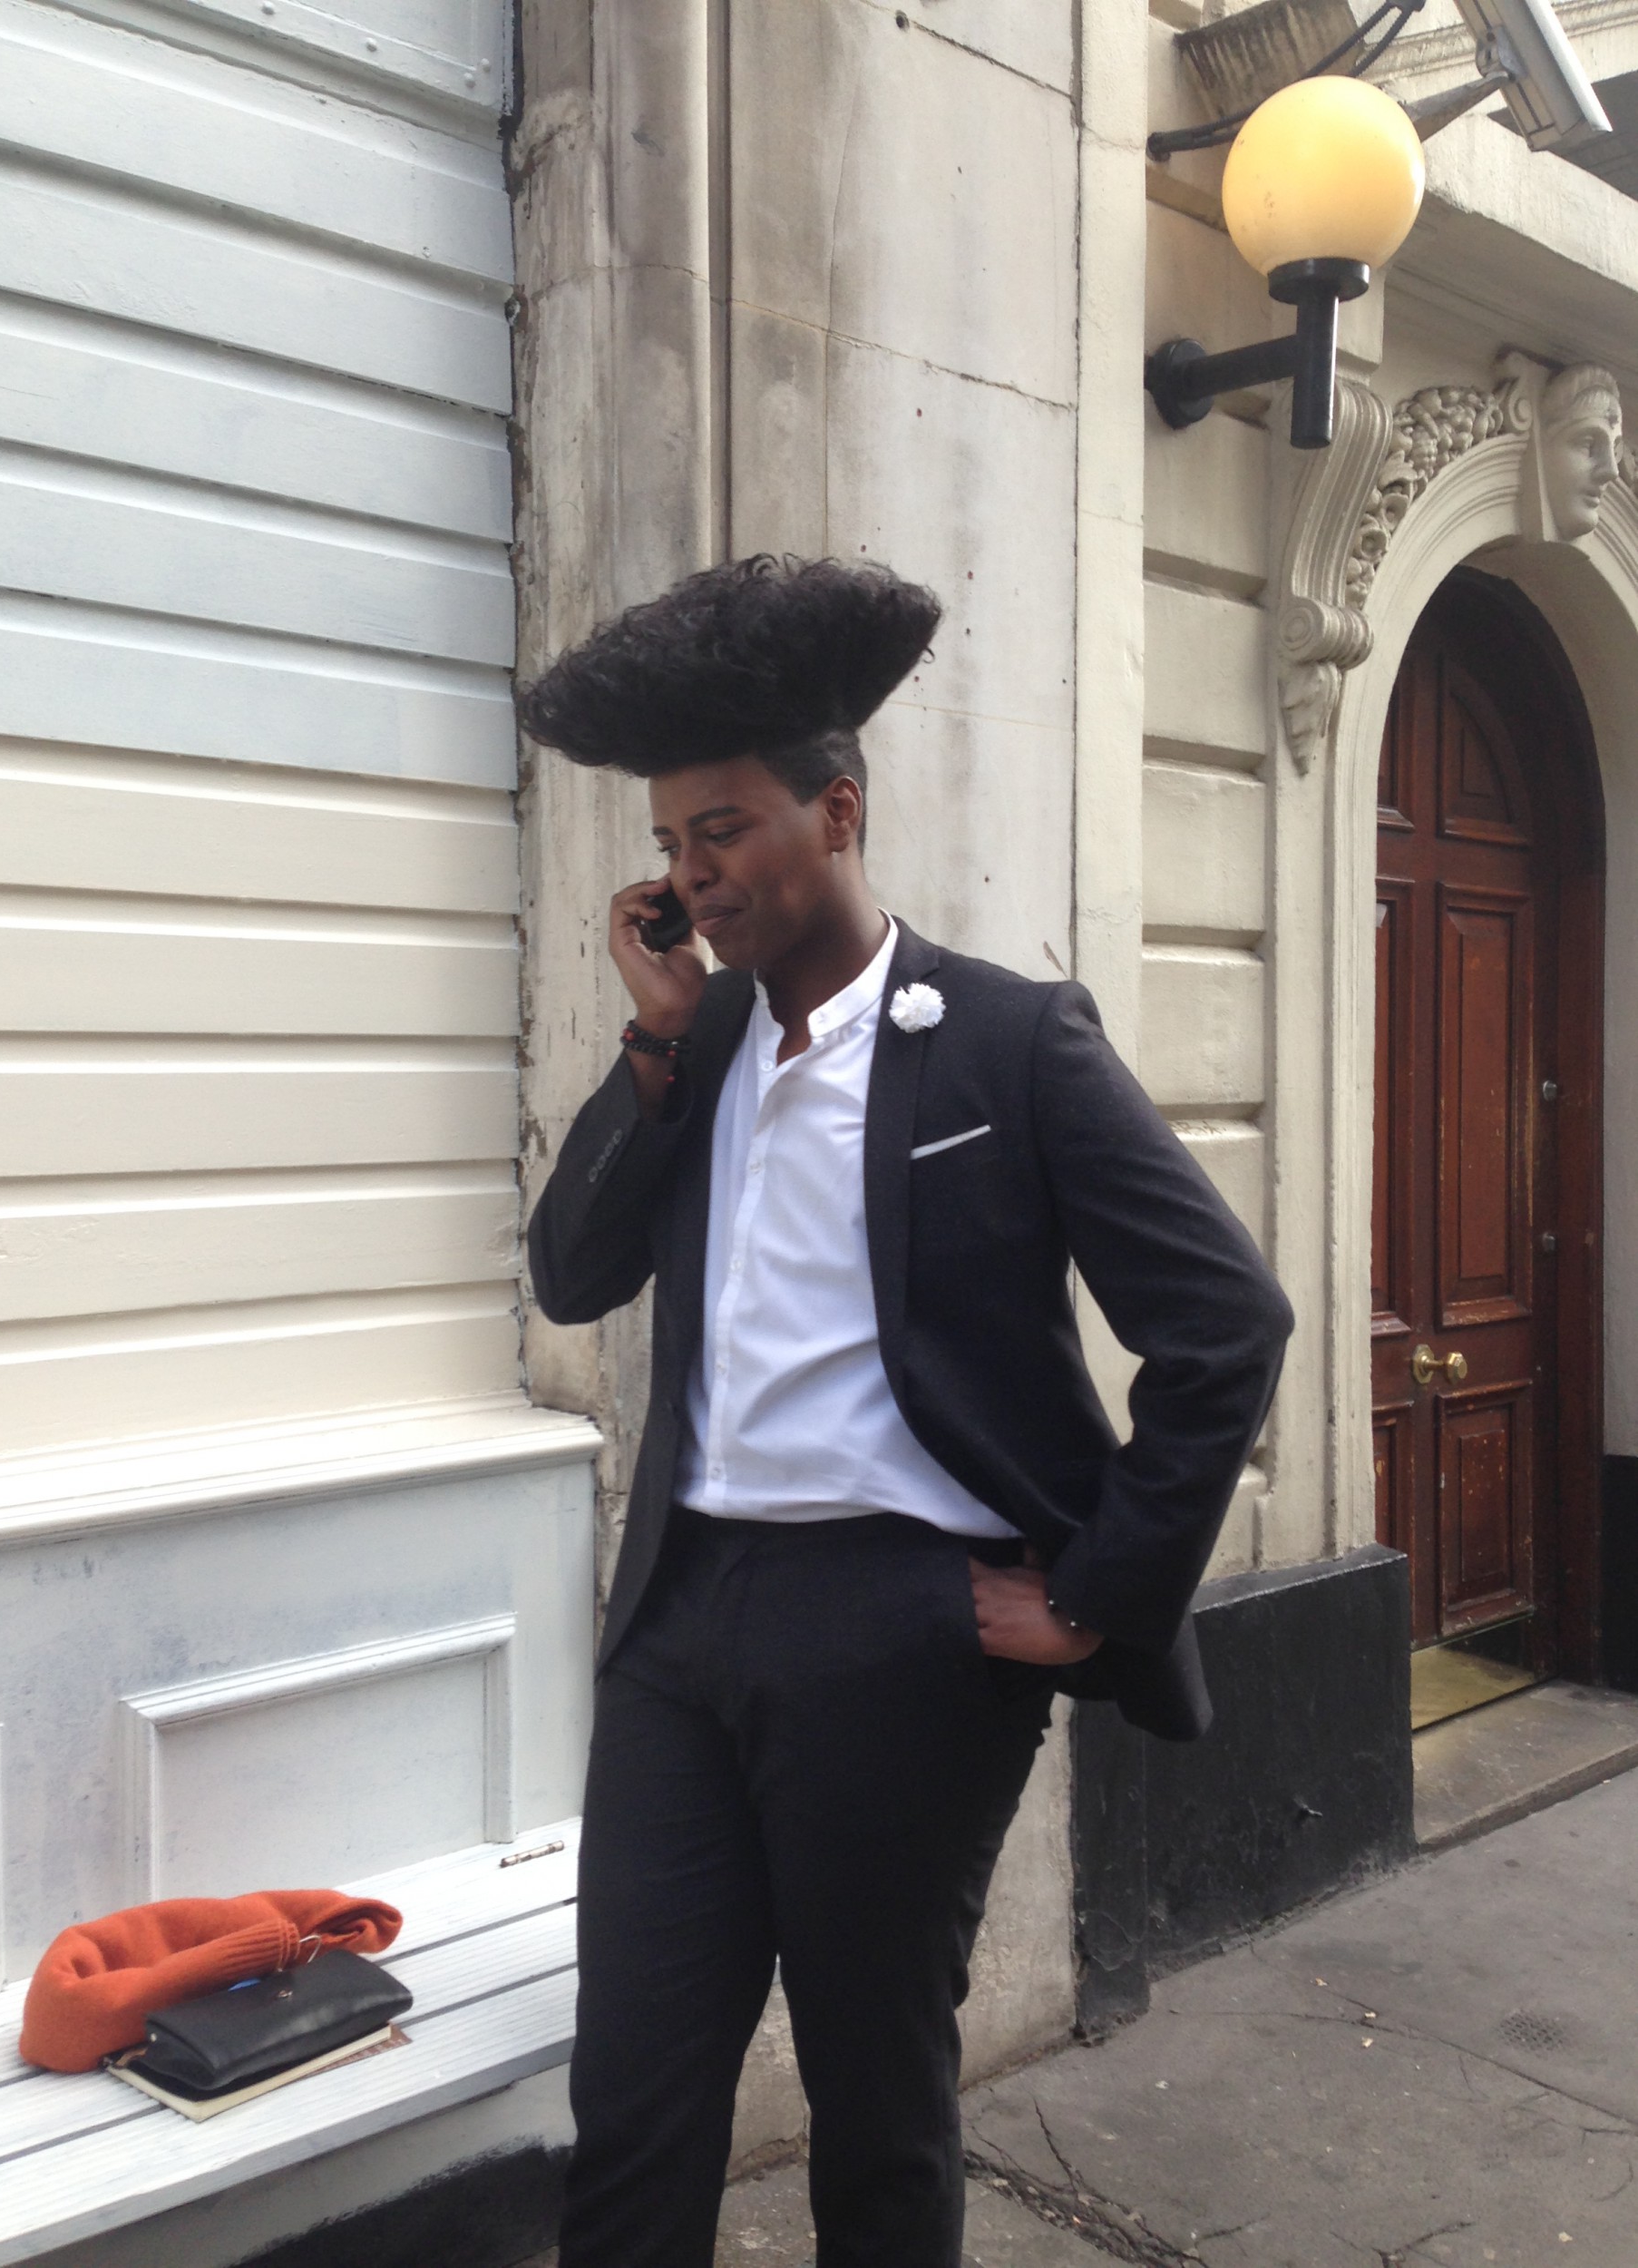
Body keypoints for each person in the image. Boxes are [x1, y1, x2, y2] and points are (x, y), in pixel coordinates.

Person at [522, 555, 1293, 2268]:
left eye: (723, 830)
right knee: (635, 2099)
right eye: (670, 843)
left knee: (877, 2108)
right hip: (679, 1622)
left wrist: (1095, 1592)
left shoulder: (1009, 1044)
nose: (691, 874)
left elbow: (1227, 1324)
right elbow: (571, 1274)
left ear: (840, 811)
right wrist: (655, 1047)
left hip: (902, 1628)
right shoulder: (700, 1046)